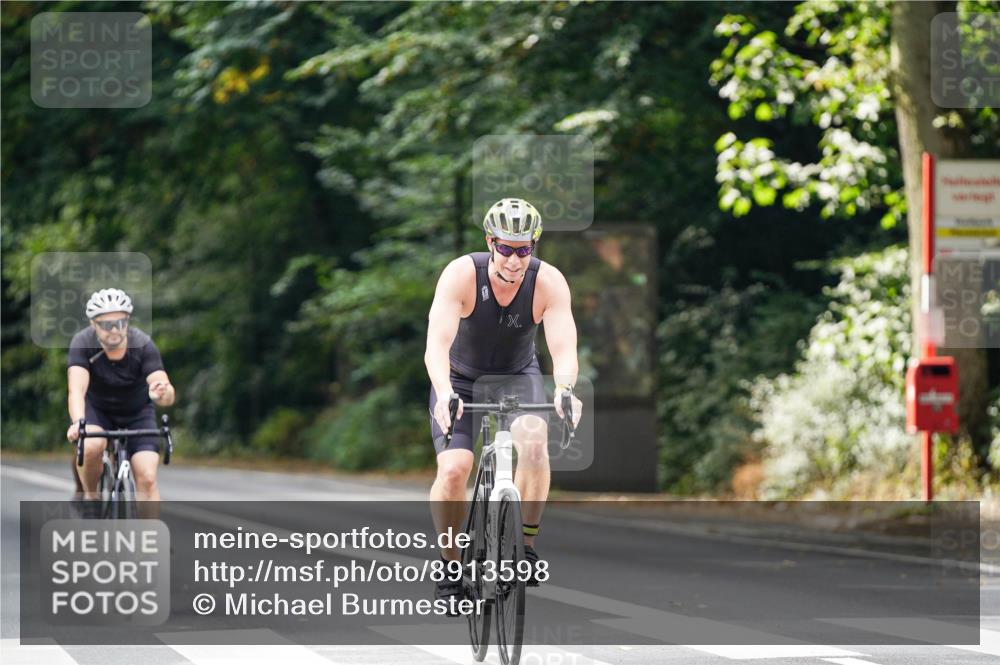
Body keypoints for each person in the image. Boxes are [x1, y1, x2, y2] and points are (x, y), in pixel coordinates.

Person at [425, 197, 583, 605]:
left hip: (516, 375)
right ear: (490, 242)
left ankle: (526, 546)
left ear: (534, 246)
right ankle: (450, 565)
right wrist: (444, 392)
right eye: (506, 249)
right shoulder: (462, 274)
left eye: (524, 250)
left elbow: (563, 350)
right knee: (456, 469)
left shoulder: (548, 282)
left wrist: (566, 391)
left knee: (533, 440)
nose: (515, 260)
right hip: (459, 378)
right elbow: (436, 345)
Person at [65, 288, 175, 503]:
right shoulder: (82, 342)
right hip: (97, 410)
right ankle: (90, 496)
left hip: (137, 412)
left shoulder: (143, 344)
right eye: (107, 324)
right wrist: (78, 422)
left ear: (128, 321)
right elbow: (76, 391)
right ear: (93, 324)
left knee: (148, 477)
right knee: (91, 446)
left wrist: (163, 392)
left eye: (122, 322)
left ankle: (148, 535)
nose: (115, 329)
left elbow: (165, 391)